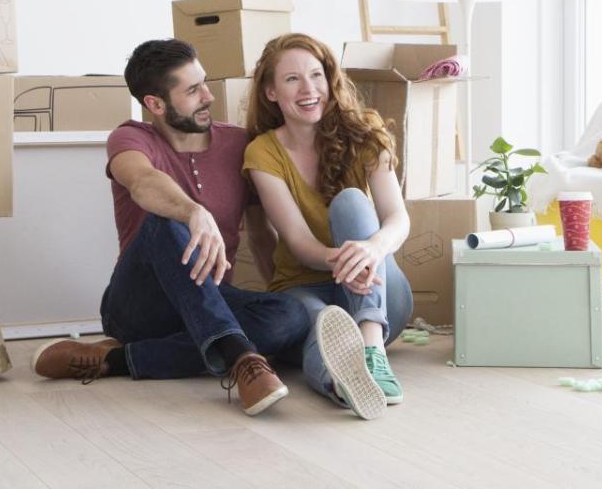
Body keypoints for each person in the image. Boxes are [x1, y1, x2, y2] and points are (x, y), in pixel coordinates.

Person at [32, 39, 311, 416]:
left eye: (204, 83)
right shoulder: (130, 138)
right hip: (140, 305)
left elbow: (261, 235)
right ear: (156, 104)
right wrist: (192, 211)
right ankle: (242, 357)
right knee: (164, 221)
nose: (208, 96)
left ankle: (116, 361)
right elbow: (142, 182)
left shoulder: (238, 143)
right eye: (193, 90)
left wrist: (274, 294)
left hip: (209, 300)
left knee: (290, 315)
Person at [243, 33, 413, 420]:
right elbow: (299, 243)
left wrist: (370, 250)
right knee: (320, 326)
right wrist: (345, 260)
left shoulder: (365, 133)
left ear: (330, 79)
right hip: (306, 286)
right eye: (292, 79)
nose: (309, 89)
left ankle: (371, 345)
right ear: (271, 92)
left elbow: (398, 218)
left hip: (379, 290)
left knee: (351, 201)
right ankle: (343, 383)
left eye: (316, 75)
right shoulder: (263, 152)